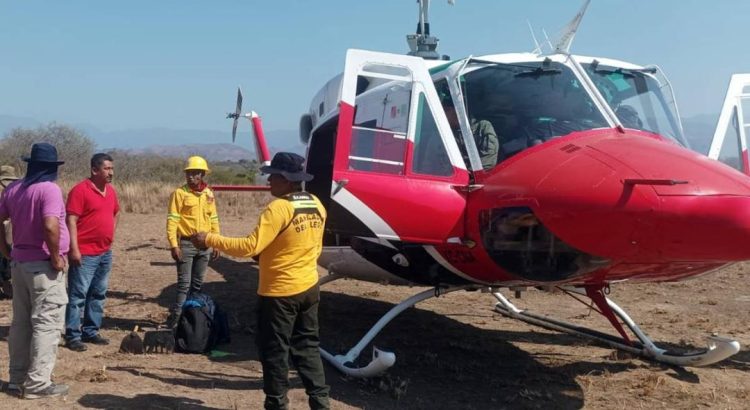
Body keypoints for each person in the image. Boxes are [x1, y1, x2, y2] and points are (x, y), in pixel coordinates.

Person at [192, 152, 330, 410]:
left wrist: (209, 238)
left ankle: (277, 404)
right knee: (307, 347)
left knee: (274, 352)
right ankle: (321, 403)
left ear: (287, 180)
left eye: (273, 176)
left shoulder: (279, 208)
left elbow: (249, 246)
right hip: (310, 287)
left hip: (280, 292)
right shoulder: (316, 204)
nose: (268, 181)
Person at [0, 143, 70, 399]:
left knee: (21, 323)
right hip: (43, 266)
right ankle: (38, 383)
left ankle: (17, 379)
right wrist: (55, 257)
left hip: (19, 263)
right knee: (47, 324)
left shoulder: (15, 188)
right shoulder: (49, 190)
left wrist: (7, 251)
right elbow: (51, 225)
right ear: (51, 168)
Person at [64, 153, 120, 352]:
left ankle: (91, 331)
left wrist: (111, 235)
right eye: (106, 169)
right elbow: (71, 220)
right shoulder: (80, 191)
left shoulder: (111, 191)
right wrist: (74, 249)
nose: (111, 172)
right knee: (78, 294)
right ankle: (73, 334)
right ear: (94, 170)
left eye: (112, 168)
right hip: (85, 253)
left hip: (104, 252)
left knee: (98, 293)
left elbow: (115, 212)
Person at [165, 155, 220, 328]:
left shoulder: (208, 194)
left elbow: (214, 219)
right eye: (188, 173)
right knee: (183, 284)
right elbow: (172, 220)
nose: (191, 176)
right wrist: (174, 245)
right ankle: (176, 321)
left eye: (195, 173)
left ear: (202, 174)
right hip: (186, 245)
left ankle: (193, 317)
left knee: (197, 284)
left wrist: (216, 241)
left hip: (205, 245)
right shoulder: (179, 194)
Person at [444, 100, 499, 170]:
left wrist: (469, 174)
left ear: (456, 111)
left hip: (477, 177)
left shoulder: (483, 126)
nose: (443, 115)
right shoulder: (446, 132)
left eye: (446, 110)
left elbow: (488, 159)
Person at [0, 165, 20, 299]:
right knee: (6, 258)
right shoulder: (16, 189)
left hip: (5, 228)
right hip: (11, 230)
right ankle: (8, 289)